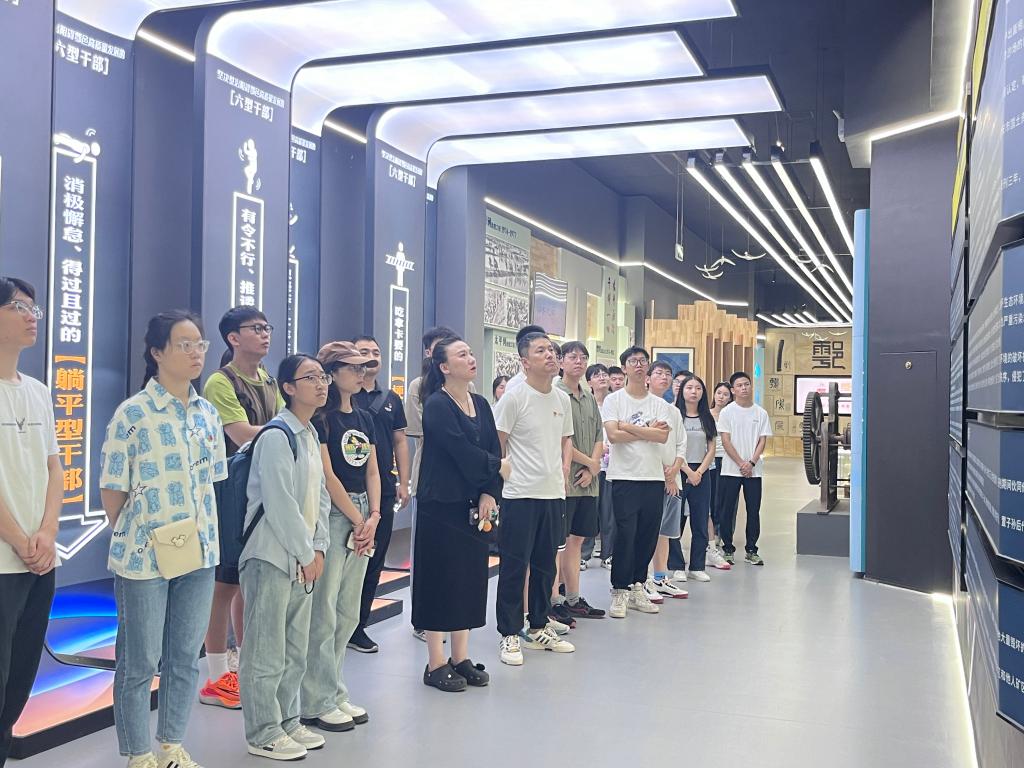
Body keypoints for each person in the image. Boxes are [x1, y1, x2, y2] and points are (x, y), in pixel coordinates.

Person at [99, 310, 227, 768]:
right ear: (157, 352)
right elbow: (112, 489)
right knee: (139, 660)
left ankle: (171, 744)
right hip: (143, 555)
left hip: (200, 551)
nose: (196, 353)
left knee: (184, 656)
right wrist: (138, 530)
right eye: (184, 345)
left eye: (200, 345)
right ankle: (138, 754)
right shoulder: (133, 413)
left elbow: (212, 481)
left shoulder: (207, 413)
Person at [238, 355, 330, 761]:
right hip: (270, 556)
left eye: (323, 377)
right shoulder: (277, 435)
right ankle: (262, 731)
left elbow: (320, 496)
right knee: (265, 648)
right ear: (288, 388)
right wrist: (307, 552)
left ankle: (288, 720)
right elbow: (279, 503)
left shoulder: (308, 433)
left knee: (295, 646)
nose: (321, 384)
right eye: (311, 377)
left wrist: (319, 546)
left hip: (302, 556)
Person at [414, 337, 510, 691]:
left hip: (474, 507)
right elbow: (460, 451)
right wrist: (497, 467)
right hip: (441, 506)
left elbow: (492, 447)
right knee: (440, 580)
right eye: (462, 354)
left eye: (471, 353)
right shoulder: (437, 404)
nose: (471, 358)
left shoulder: (481, 403)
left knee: (469, 579)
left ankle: (460, 657)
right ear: (444, 367)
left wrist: (489, 491)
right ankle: (435, 663)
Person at [200, 307, 283, 709]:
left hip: (264, 487)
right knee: (224, 584)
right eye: (256, 328)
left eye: (267, 327)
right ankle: (216, 676)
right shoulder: (220, 381)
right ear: (233, 338)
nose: (265, 334)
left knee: (248, 579)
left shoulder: (267, 378)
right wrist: (288, 431)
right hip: (231, 488)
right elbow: (240, 433)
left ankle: (247, 666)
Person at [300, 342, 381, 732]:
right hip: (336, 513)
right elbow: (328, 476)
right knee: (325, 610)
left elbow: (374, 469)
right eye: (352, 368)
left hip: (363, 512)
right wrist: (357, 518)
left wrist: (374, 516)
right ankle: (315, 699)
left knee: (349, 610)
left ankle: (334, 690)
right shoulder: (322, 420)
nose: (361, 373)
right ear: (331, 374)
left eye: (363, 368)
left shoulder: (364, 417)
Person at [0, 278, 60, 767]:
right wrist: (20, 539)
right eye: (18, 306)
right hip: (6, 558)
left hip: (39, 560)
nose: (31, 316)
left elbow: (54, 467)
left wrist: (48, 532)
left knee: (18, 680)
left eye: (33, 308)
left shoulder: (38, 391)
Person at [493, 331, 575, 665]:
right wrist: (500, 482)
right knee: (514, 567)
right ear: (525, 362)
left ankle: (539, 625)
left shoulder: (562, 399)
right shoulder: (514, 398)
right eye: (541, 351)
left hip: (552, 493)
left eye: (552, 350)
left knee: (545, 567)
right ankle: (509, 633)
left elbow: (564, 441)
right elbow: (497, 444)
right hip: (519, 495)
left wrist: (563, 474)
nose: (550, 355)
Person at [602, 346, 680, 619]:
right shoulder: (614, 400)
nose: (638, 365)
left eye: (643, 361)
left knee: (647, 535)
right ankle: (619, 590)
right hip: (624, 476)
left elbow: (662, 437)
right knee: (626, 534)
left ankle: (638, 586)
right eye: (633, 361)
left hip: (652, 477)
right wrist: (645, 431)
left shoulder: (659, 404)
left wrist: (628, 426)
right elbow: (613, 436)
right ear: (624, 367)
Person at [349, 335, 410, 654]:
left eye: (375, 351)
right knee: (344, 563)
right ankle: (335, 626)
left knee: (373, 560)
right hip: (346, 489)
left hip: (383, 489)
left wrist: (404, 481)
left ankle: (357, 627)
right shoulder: (341, 395)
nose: (371, 356)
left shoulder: (391, 399)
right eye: (363, 352)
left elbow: (400, 441)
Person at [405, 325, 459, 643]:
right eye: (441, 347)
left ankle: (449, 615)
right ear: (429, 353)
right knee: (426, 555)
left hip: (460, 484)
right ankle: (422, 620)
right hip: (429, 479)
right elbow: (422, 432)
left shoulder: (467, 389)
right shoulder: (419, 386)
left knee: (453, 555)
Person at [555, 342, 605, 620]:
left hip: (588, 482)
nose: (579, 361)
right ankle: (554, 599)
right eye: (573, 357)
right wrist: (590, 463)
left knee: (577, 540)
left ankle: (573, 597)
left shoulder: (588, 397)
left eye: (583, 357)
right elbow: (560, 439)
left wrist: (593, 468)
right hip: (565, 481)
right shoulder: (555, 394)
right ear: (561, 361)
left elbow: (599, 435)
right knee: (558, 544)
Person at [717, 371, 772, 566]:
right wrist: (741, 463)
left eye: (746, 384)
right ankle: (727, 549)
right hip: (730, 470)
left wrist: (752, 463)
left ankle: (751, 550)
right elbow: (725, 440)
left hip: (754, 472)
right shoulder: (727, 412)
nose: (744, 388)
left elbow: (762, 440)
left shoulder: (760, 413)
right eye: (739, 385)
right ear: (733, 390)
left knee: (753, 510)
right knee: (727, 510)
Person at [645, 361, 688, 601]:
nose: (664, 377)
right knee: (646, 531)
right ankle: (643, 579)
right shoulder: (643, 406)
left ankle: (660, 577)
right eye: (659, 373)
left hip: (673, 479)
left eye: (668, 374)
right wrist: (665, 473)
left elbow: (681, 443)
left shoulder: (674, 411)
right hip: (650, 478)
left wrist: (674, 470)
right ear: (648, 378)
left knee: (665, 533)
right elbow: (646, 444)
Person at [672, 375, 717, 582]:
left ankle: (697, 566)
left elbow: (711, 448)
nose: (693, 391)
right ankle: (676, 566)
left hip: (702, 472)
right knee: (676, 521)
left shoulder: (707, 417)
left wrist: (699, 472)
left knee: (700, 520)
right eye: (689, 387)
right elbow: (671, 447)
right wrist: (688, 471)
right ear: (682, 391)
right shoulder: (675, 416)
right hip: (679, 470)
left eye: (698, 388)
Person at [581, 363, 614, 569]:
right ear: (589, 381)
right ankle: (584, 554)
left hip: (612, 468)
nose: (602, 377)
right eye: (596, 375)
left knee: (609, 513)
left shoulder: (615, 402)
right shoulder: (586, 403)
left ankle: (608, 554)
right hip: (591, 466)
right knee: (589, 512)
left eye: (604, 374)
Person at [705, 382, 735, 570]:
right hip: (710, 460)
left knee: (727, 500)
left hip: (728, 459)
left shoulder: (732, 415)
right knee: (712, 500)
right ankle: (712, 537)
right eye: (719, 393)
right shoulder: (706, 415)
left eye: (725, 394)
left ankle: (725, 536)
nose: (721, 397)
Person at [501, 324, 546, 395]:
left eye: (550, 349)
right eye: (540, 351)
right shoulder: (514, 385)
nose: (548, 355)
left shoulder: (554, 382)